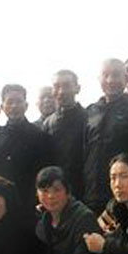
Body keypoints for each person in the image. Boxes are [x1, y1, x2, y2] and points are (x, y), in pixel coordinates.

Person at [83, 59, 128, 213]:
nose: (110, 80)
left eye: (116, 75)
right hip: (91, 196)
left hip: (125, 197)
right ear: (99, 78)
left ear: (126, 78)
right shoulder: (90, 112)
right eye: (106, 75)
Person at [0, 84, 54, 213]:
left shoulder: (40, 137)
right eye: (10, 102)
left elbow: (46, 174)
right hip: (1, 207)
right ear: (2, 107)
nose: (14, 106)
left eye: (18, 101)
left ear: (26, 105)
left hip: (31, 206)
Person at [42, 70, 88, 200]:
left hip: (84, 190)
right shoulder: (48, 124)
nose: (61, 91)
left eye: (67, 86)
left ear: (77, 88)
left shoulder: (89, 118)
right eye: (57, 87)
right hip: (55, 192)